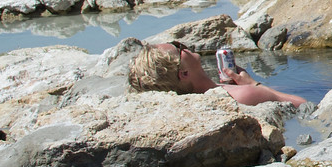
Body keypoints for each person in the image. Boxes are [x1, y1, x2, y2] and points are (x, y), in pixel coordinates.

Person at [127, 41, 308, 106]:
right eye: (179, 48)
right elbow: (304, 104)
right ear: (183, 73)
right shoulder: (244, 94)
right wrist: (254, 85)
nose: (185, 47)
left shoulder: (206, 96)